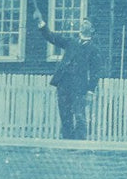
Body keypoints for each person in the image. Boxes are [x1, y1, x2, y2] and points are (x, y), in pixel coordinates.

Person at [35, 12, 102, 140]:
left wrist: (90, 91)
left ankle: (79, 145)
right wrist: (41, 23)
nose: (83, 24)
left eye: (86, 23)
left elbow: (95, 72)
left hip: (79, 88)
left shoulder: (94, 49)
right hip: (63, 85)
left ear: (92, 29)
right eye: (83, 22)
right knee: (65, 117)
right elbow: (52, 37)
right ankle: (67, 144)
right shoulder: (71, 42)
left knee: (80, 117)